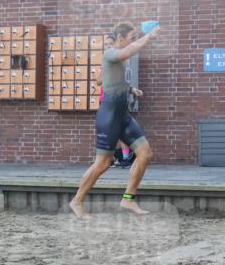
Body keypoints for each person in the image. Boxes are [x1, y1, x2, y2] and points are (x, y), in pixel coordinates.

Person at [69, 22, 160, 218]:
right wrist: (148, 37)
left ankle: (128, 199)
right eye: (131, 38)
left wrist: (130, 89)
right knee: (104, 162)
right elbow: (126, 53)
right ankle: (77, 201)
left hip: (123, 115)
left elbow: (112, 79)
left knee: (145, 154)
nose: (132, 41)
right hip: (108, 116)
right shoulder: (111, 53)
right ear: (120, 38)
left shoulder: (121, 59)